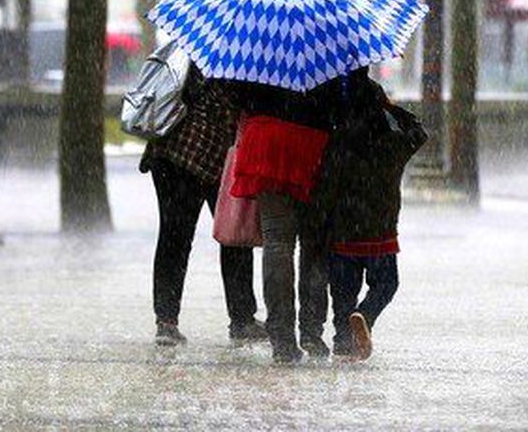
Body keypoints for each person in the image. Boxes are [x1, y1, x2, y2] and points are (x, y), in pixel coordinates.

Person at [227, 72, 360, 363]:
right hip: (315, 143)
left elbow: (237, 94)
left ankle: (282, 339)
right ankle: (311, 332)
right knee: (315, 244)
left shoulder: (256, 38)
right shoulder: (331, 40)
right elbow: (346, 100)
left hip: (266, 139)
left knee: (277, 242)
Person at [140, 65, 265, 347]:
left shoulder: (201, 48)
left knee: (174, 237)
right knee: (232, 236)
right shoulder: (238, 65)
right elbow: (231, 114)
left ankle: (167, 320)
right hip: (201, 157)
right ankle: (241, 318)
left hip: (170, 151)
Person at [313, 73, 426, 360]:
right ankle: (366, 314)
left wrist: (322, 221)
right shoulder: (394, 144)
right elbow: (419, 132)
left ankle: (342, 343)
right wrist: (390, 107)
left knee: (342, 293)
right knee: (387, 283)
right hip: (380, 229)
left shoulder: (338, 142)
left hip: (344, 229)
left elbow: (326, 185)